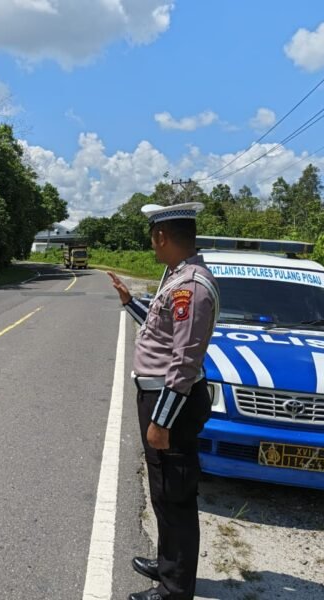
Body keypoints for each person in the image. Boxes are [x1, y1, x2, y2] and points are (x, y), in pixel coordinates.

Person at [108, 202, 220, 600]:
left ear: (162, 236)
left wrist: (162, 421)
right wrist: (128, 301)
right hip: (159, 396)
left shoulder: (191, 287)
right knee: (162, 490)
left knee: (175, 494)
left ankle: (174, 589)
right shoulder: (176, 276)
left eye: (153, 239)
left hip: (170, 401)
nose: (152, 247)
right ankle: (167, 560)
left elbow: (184, 362)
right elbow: (162, 332)